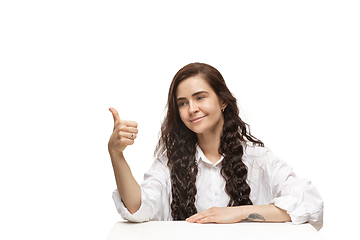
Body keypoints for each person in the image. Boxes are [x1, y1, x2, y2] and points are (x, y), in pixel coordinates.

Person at [108, 62, 324, 230]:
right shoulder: (168, 163)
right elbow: (137, 208)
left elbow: (310, 203)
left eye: (200, 97)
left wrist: (239, 213)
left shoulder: (258, 159)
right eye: (182, 103)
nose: (191, 108)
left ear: (223, 101)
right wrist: (116, 154)